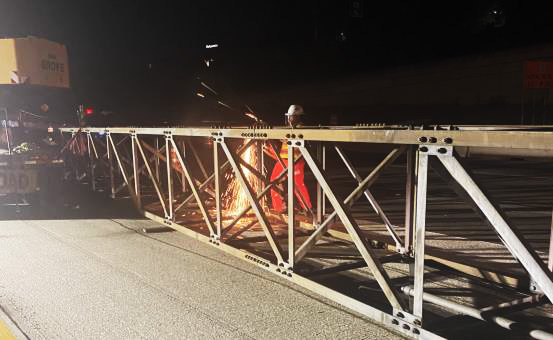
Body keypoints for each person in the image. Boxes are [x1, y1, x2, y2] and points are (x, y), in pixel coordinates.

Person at [267, 105, 312, 213]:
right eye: (289, 117)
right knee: (274, 182)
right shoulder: (289, 129)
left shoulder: (302, 129)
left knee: (297, 185)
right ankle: (280, 208)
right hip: (283, 160)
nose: (289, 119)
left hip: (296, 161)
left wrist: (283, 138)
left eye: (291, 117)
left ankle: (307, 208)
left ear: (298, 117)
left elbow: (295, 141)